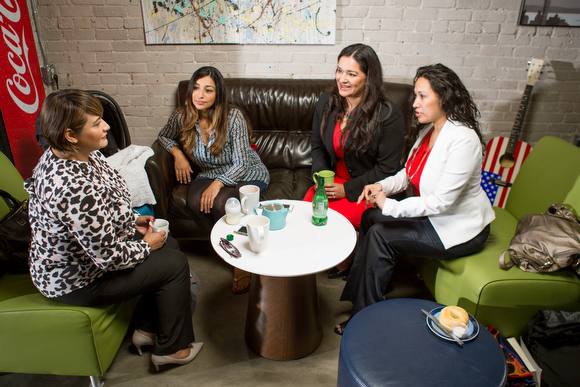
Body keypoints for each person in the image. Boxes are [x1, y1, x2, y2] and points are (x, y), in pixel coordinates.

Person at [24, 89, 203, 371]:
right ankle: (172, 349)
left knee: (170, 245)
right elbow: (107, 257)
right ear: (71, 134)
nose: (106, 125)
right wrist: (146, 246)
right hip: (77, 280)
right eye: (96, 123)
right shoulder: (71, 185)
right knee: (174, 263)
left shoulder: (81, 154)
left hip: (91, 255)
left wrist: (132, 220)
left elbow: (101, 209)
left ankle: (148, 330)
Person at [335, 63, 496, 335]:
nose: (415, 103)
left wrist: (390, 204)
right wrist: (378, 186)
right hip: (435, 219)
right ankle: (370, 284)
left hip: (457, 228)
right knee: (369, 216)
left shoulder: (463, 140)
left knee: (381, 234)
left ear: (443, 98)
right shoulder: (429, 132)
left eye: (422, 96)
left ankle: (365, 318)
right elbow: (407, 174)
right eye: (415, 96)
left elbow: (441, 202)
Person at [158, 66, 269, 294]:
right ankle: (229, 249)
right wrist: (177, 153)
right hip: (209, 172)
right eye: (196, 88)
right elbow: (163, 136)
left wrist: (217, 185)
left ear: (218, 94)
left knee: (223, 204)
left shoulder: (233, 117)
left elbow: (241, 163)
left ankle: (241, 261)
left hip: (245, 171)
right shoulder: (182, 116)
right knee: (194, 203)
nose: (200, 95)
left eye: (208, 90)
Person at [305, 43, 405, 279]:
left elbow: (387, 168)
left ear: (368, 78)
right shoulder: (327, 102)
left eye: (352, 73)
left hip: (366, 188)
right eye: (340, 70)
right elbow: (317, 145)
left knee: (338, 219)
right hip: (333, 181)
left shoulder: (389, 114)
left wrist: (346, 190)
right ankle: (342, 256)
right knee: (311, 211)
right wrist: (320, 178)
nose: (342, 79)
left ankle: (348, 260)